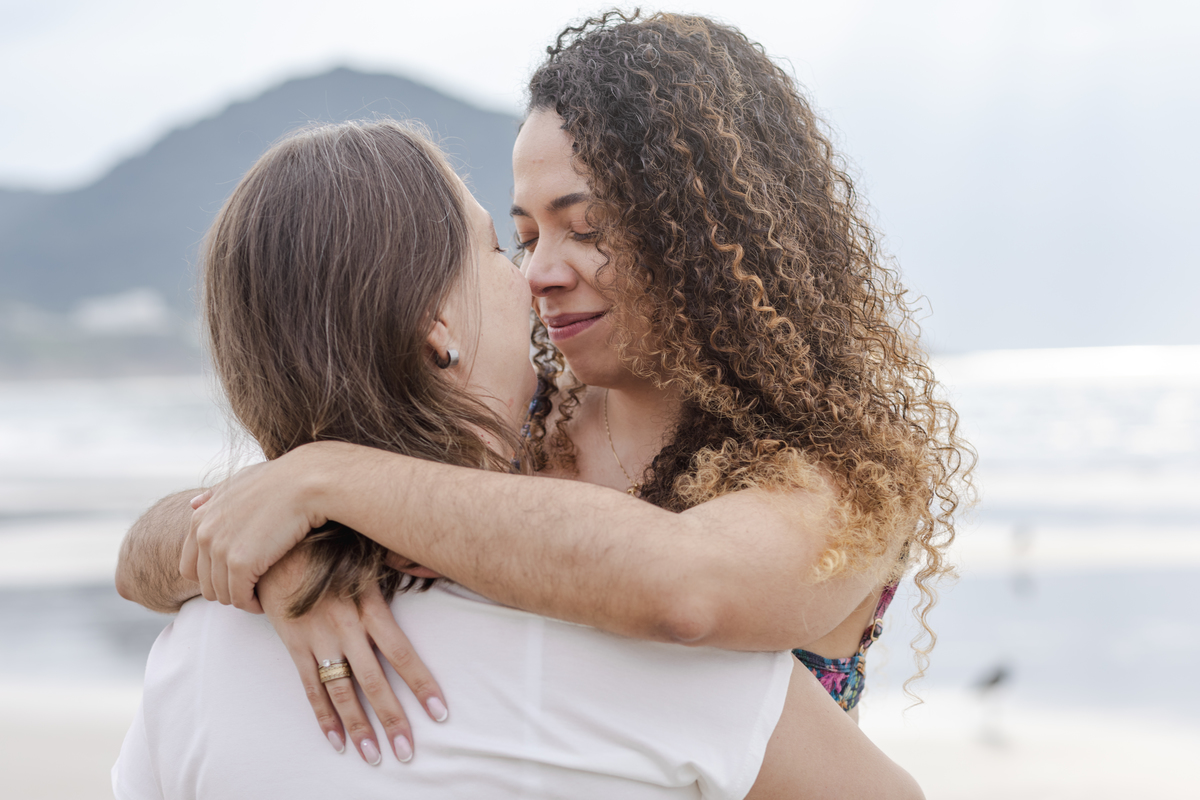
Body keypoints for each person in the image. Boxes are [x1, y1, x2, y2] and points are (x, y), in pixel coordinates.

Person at [117, 10, 970, 765]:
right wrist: (286, 565)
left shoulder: (842, 476)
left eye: (586, 228)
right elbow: (144, 556)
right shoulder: (522, 429)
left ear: (718, 234)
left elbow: (686, 591)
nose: (539, 274)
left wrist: (325, 480)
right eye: (523, 237)